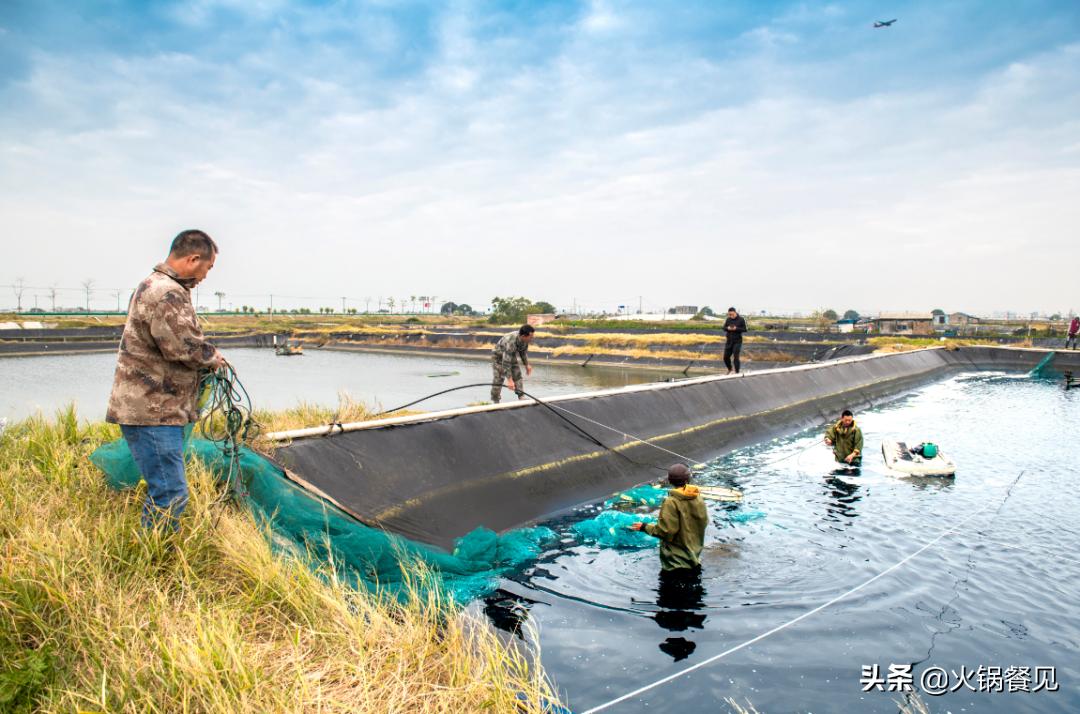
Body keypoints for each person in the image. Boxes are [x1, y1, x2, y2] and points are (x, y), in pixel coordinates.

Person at [106, 230, 225, 530]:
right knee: (170, 493)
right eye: (208, 268)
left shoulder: (154, 284)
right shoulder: (167, 292)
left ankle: (156, 547)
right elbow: (184, 346)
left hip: (152, 408)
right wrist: (214, 358)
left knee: (166, 488)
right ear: (193, 259)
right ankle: (155, 552)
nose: (205, 276)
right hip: (154, 411)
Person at [630, 464, 708, 571]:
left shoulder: (671, 502)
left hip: (676, 564)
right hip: (694, 559)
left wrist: (644, 527)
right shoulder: (698, 497)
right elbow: (703, 522)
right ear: (688, 479)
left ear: (670, 481)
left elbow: (665, 532)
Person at [490, 324, 535, 403]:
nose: (532, 338)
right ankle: (495, 400)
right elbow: (506, 363)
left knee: (517, 375)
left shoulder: (525, 340)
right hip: (498, 357)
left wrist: (527, 365)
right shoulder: (511, 341)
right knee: (499, 379)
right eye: (531, 337)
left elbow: (523, 352)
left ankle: (521, 396)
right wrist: (510, 380)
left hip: (511, 355)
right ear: (523, 336)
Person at [722, 306, 747, 374]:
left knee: (736, 356)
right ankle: (730, 369)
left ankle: (737, 372)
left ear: (735, 313)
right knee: (725, 357)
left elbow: (745, 329)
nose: (731, 316)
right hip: (729, 341)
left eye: (732, 314)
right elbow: (724, 328)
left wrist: (736, 328)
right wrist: (728, 328)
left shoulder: (741, 319)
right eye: (729, 314)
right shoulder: (728, 319)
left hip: (737, 341)